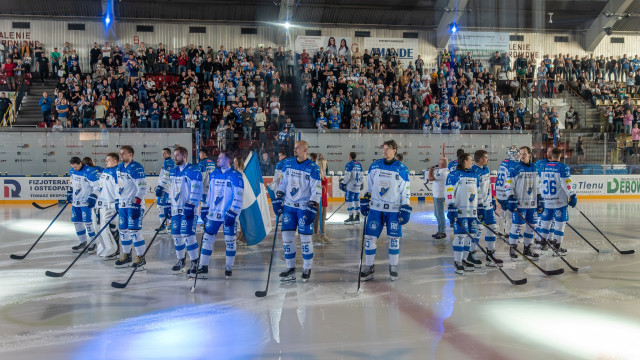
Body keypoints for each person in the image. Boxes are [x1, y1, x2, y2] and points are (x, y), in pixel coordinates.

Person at [359, 139, 411, 281]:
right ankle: (369, 267)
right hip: (375, 209)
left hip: (393, 210)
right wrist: (365, 199)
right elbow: (369, 187)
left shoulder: (402, 168)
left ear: (395, 150)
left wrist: (406, 207)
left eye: (388, 148)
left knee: (394, 239)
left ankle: (393, 266)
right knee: (369, 238)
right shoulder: (374, 166)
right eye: (384, 148)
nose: (385, 151)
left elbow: (405, 191)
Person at [272, 141, 321, 283]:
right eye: (294, 148)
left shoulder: (313, 167)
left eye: (297, 148)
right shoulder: (287, 164)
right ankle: (290, 268)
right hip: (289, 207)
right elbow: (283, 183)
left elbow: (316, 189)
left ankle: (307, 268)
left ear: (305, 149)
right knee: (287, 239)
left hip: (304, 208)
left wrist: (312, 207)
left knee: (305, 240)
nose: (295, 150)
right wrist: (279, 197)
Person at [156, 147, 203, 275]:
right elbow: (171, 191)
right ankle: (181, 260)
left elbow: (197, 189)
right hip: (176, 210)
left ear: (184, 156)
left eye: (177, 155)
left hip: (188, 210)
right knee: (176, 235)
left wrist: (191, 204)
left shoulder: (193, 170)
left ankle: (194, 261)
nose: (174, 158)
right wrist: (168, 205)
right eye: (174, 155)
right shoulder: (173, 171)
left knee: (188, 235)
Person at [198, 151, 244, 279]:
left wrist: (233, 212)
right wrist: (205, 207)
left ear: (228, 160)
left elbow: (239, 196)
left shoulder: (236, 175)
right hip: (213, 213)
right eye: (218, 157)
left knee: (230, 241)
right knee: (207, 239)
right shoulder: (214, 174)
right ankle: (203, 266)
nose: (217, 159)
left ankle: (229, 267)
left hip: (228, 214)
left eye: (220, 158)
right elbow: (209, 193)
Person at [538, 147, 577, 255]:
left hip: (547, 201)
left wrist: (541, 197)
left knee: (545, 223)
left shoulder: (544, 167)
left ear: (550, 155)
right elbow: (567, 184)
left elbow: (540, 184)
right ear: (560, 155)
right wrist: (572, 195)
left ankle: (543, 245)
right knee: (560, 224)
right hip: (559, 202)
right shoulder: (563, 167)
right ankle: (556, 248)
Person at [445, 153, 480, 275]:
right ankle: (457, 261)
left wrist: (480, 206)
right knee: (460, 236)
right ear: (464, 161)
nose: (472, 162)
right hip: (460, 211)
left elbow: (478, 192)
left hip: (472, 211)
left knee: (470, 235)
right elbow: (449, 191)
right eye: (470, 160)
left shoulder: (475, 176)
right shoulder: (454, 175)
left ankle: (464, 259)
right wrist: (451, 205)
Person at [115, 146, 148, 269]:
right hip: (123, 205)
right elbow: (118, 186)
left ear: (131, 154)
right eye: (120, 153)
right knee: (123, 231)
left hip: (134, 205)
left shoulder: (136, 167)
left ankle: (141, 257)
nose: (121, 155)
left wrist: (137, 204)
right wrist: (117, 200)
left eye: (124, 153)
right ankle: (127, 255)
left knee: (135, 232)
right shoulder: (119, 167)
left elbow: (142, 188)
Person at [505, 146, 541, 261]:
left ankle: (527, 248)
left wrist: (540, 198)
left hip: (532, 204)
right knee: (517, 227)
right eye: (520, 154)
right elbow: (508, 184)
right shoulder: (515, 168)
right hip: (520, 204)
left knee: (532, 227)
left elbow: (538, 184)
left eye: (524, 154)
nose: (522, 156)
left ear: (530, 155)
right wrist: (510, 197)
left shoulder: (535, 168)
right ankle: (513, 248)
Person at [472, 150, 503, 267]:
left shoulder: (486, 169)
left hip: (488, 205)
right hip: (479, 206)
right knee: (477, 230)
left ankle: (490, 256)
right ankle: (472, 253)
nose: (487, 159)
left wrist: (493, 199)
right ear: (480, 159)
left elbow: (488, 187)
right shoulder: (474, 171)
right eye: (485, 157)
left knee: (493, 228)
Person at [66, 157, 99, 254]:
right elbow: (73, 183)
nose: (74, 169)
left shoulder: (90, 171)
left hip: (86, 202)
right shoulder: (72, 170)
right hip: (76, 202)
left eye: (76, 167)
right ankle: (82, 242)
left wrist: (93, 196)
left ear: (80, 163)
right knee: (77, 223)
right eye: (73, 167)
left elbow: (97, 187)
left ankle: (93, 243)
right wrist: (70, 191)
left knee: (88, 223)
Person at [95, 153, 120, 259]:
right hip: (102, 204)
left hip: (112, 204)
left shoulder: (117, 172)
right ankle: (106, 246)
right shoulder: (105, 171)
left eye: (108, 160)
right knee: (102, 228)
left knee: (110, 227)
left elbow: (119, 189)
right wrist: (94, 195)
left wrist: (117, 202)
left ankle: (115, 250)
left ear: (115, 161)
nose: (106, 162)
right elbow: (100, 186)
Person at [495, 146, 519, 235]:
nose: (518, 156)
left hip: (499, 192)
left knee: (504, 212)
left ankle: (500, 230)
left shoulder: (504, 162)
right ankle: (508, 232)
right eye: (516, 155)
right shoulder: (512, 165)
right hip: (506, 193)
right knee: (510, 214)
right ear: (511, 155)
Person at [341, 152, 364, 225]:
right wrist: (360, 184)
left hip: (350, 186)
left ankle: (351, 216)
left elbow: (347, 176)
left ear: (350, 156)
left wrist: (343, 183)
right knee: (356, 200)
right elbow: (362, 175)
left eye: (348, 155)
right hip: (357, 186)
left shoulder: (349, 164)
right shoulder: (359, 164)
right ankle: (357, 216)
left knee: (349, 201)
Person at [428, 157, 448, 239]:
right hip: (437, 195)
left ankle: (442, 232)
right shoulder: (442, 171)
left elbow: (430, 178)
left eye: (439, 163)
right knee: (437, 214)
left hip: (439, 196)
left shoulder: (442, 173)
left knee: (440, 214)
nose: (437, 164)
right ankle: (440, 230)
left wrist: (430, 170)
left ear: (442, 165)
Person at [155, 148, 174, 232]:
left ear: (169, 154)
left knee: (160, 206)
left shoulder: (168, 162)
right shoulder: (167, 162)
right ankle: (169, 224)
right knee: (167, 206)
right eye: (162, 153)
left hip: (165, 189)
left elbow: (166, 176)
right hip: (167, 188)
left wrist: (161, 187)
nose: (163, 155)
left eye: (165, 153)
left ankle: (163, 225)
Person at [197, 149, 217, 225]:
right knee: (210, 205)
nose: (199, 155)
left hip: (204, 189)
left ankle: (206, 222)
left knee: (203, 206)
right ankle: (210, 221)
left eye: (200, 153)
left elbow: (200, 178)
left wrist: (197, 188)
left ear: (204, 154)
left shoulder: (202, 164)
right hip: (212, 189)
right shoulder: (212, 163)